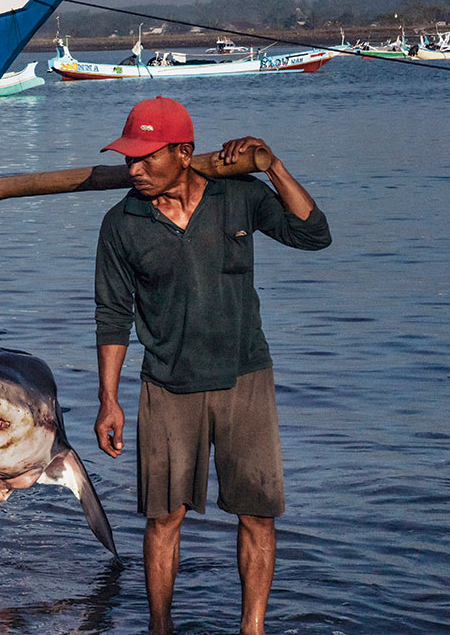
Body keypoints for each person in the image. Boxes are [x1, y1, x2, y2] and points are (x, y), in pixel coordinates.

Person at [91, 96, 331, 635]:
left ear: (184, 153)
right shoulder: (122, 223)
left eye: (146, 157)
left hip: (245, 377)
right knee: (163, 518)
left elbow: (314, 234)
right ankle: (160, 628)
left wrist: (273, 165)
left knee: (257, 513)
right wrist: (109, 399)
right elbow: (112, 316)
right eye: (128, 158)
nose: (133, 168)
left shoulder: (239, 196)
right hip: (167, 385)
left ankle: (253, 629)